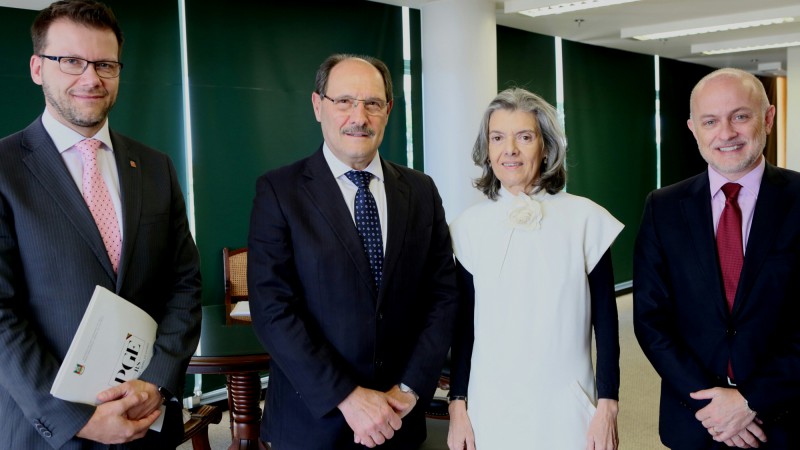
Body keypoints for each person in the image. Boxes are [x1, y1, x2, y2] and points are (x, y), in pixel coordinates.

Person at [0, 1, 202, 448]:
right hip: (45, 430)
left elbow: (184, 284)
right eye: (70, 61)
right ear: (37, 68)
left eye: (105, 64)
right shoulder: (4, 168)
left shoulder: (155, 167)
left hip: (144, 419)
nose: (91, 78)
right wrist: (75, 418)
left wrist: (155, 382)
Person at [247, 53, 458, 450]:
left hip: (399, 416)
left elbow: (442, 296)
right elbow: (273, 309)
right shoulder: (279, 191)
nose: (358, 116)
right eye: (344, 101)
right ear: (317, 106)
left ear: (388, 110)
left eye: (372, 103)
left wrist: (411, 389)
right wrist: (348, 396)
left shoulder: (421, 191)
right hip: (312, 421)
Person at [447, 87, 623, 450]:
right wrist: (458, 407)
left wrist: (607, 407)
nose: (509, 149)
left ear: (546, 147)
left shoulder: (586, 219)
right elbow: (464, 327)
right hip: (489, 407)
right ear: (487, 149)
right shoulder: (467, 226)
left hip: (567, 407)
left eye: (524, 137)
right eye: (497, 138)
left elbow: (606, 324)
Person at [634, 67, 800, 449]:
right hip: (696, 421)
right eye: (711, 121)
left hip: (784, 418)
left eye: (740, 116)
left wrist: (750, 400)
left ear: (768, 118)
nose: (725, 133)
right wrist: (711, 402)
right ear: (694, 128)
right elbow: (650, 317)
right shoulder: (663, 207)